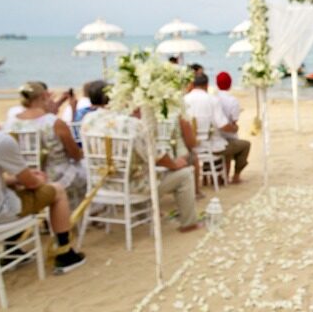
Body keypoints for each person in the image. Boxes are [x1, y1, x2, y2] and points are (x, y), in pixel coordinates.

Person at [81, 104, 203, 233]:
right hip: (131, 187)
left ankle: (143, 215)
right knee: (185, 174)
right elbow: (155, 156)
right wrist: (174, 164)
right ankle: (189, 224)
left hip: (101, 184)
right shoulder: (133, 125)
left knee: (140, 171)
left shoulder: (89, 119)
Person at [0, 130, 86, 272]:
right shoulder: (0, 140)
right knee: (57, 190)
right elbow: (31, 183)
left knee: (14, 188)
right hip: (0, 214)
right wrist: (38, 180)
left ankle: (11, 249)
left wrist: (15, 179)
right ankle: (65, 253)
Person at [3, 82, 87, 207]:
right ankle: (70, 214)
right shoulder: (54, 123)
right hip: (56, 178)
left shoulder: (10, 124)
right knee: (86, 170)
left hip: (23, 178)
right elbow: (75, 155)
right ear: (43, 96)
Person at [185, 73, 238, 186]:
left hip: (189, 145)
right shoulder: (212, 100)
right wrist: (234, 128)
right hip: (209, 145)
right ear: (207, 85)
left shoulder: (185, 99)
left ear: (193, 84)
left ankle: (203, 179)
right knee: (227, 144)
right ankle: (224, 178)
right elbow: (222, 124)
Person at [214, 72, 251, 183]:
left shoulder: (213, 98)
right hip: (226, 136)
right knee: (244, 145)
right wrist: (235, 128)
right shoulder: (232, 101)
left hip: (215, 136)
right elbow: (234, 121)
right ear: (230, 84)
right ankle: (236, 175)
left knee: (229, 147)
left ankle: (223, 176)